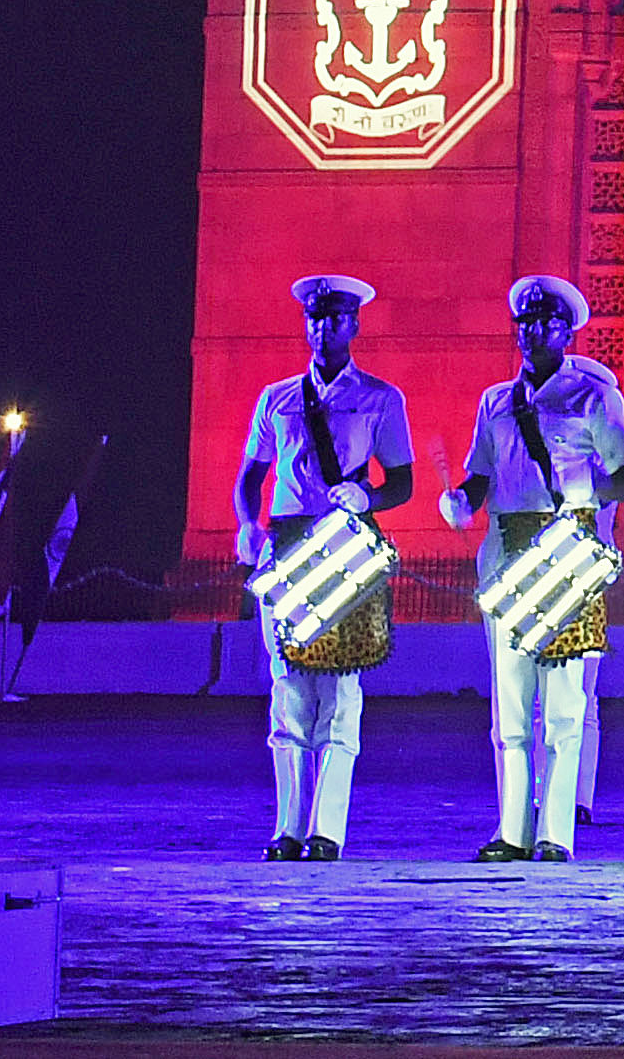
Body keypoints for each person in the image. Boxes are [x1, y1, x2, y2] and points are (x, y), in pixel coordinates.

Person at [444, 276, 624, 862]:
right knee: (510, 705)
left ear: (567, 330)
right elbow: (479, 474)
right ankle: (511, 829)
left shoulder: (593, 398)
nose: (533, 333)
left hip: (566, 551)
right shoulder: (495, 401)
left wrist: (589, 486)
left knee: (562, 704)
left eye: (546, 324)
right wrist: (459, 500)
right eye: (525, 323)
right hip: (506, 551)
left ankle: (556, 831)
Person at [232, 273, 413, 862]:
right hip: (286, 546)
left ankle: (327, 829)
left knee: (340, 692)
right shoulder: (276, 397)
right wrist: (246, 523)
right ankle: (287, 827)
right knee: (287, 690)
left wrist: (368, 498)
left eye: (334, 319)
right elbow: (251, 476)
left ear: (355, 326)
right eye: (315, 318)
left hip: (344, 547)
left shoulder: (382, 399)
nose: (322, 329)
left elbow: (401, 483)